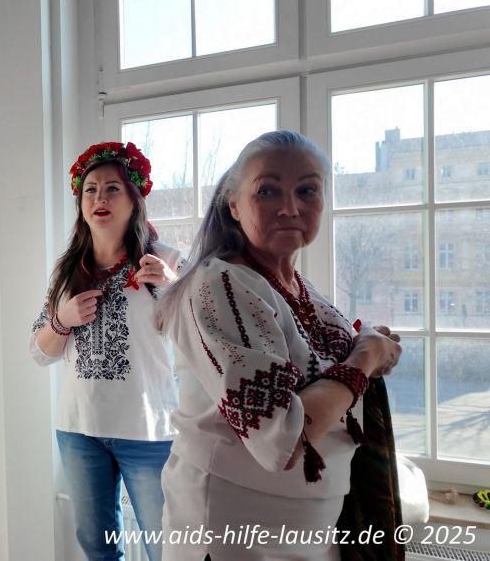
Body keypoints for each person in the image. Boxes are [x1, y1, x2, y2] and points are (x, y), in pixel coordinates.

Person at [157, 131, 403, 560]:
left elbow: (326, 372)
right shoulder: (221, 285)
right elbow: (279, 439)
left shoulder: (300, 288)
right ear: (234, 205)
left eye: (307, 190)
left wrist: (372, 349)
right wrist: (366, 357)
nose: (290, 207)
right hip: (237, 533)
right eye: (267, 191)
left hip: (315, 531)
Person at [30, 141, 184, 561]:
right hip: (80, 429)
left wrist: (173, 285)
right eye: (91, 190)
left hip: (148, 431)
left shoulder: (165, 260)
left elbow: (204, 330)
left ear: (134, 200)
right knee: (97, 547)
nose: (100, 198)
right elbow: (40, 352)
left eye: (112, 188)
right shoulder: (67, 272)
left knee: (167, 548)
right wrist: (62, 319)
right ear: (81, 205)